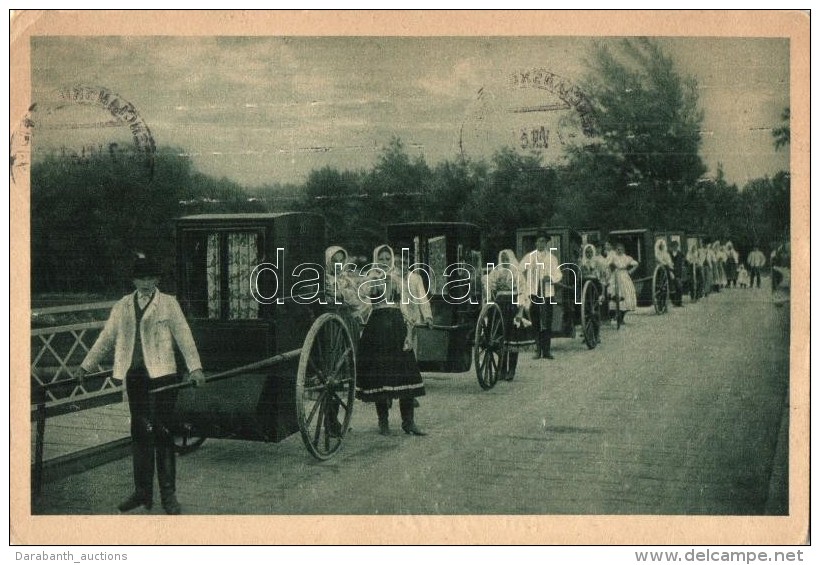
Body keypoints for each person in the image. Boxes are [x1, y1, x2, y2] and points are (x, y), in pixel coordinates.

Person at [75, 254, 206, 515]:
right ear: (133, 280)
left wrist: (195, 368)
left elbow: (184, 337)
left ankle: (168, 495)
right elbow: (106, 338)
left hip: (163, 375)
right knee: (140, 431)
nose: (145, 283)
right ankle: (142, 492)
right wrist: (85, 365)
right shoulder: (122, 306)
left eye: (150, 278)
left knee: (163, 431)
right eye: (140, 278)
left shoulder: (168, 304)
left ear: (157, 279)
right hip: (135, 378)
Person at [356, 245, 431, 436]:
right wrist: (372, 281)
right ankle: (383, 422)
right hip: (378, 328)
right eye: (380, 258)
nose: (384, 261)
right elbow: (362, 298)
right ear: (375, 259)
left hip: (397, 325)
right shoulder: (370, 278)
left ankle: (409, 422)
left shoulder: (398, 280)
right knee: (381, 376)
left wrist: (409, 329)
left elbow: (404, 304)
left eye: (387, 258)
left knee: (406, 373)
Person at [486, 249, 530, 379]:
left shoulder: (517, 273)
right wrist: (490, 294)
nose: (505, 262)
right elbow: (489, 287)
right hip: (499, 309)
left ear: (511, 260)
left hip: (512, 308)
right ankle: (501, 369)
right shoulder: (495, 272)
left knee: (512, 340)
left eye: (507, 260)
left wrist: (520, 311)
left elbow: (523, 293)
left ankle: (511, 370)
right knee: (501, 340)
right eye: (503, 259)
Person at [519, 232, 563, 360]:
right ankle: (538, 350)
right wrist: (524, 284)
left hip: (548, 294)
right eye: (538, 241)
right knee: (536, 321)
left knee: (547, 322)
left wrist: (551, 278)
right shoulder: (530, 257)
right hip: (533, 293)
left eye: (543, 241)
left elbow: (559, 274)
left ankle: (547, 351)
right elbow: (519, 270)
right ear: (535, 243)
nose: (541, 244)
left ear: (546, 243)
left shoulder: (552, 258)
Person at [324, 245, 372, 328]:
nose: (338, 264)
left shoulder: (346, 279)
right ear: (327, 261)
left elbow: (356, 301)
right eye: (334, 261)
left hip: (347, 319)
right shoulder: (326, 280)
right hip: (332, 321)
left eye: (341, 261)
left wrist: (342, 294)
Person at [608, 242, 638, 325]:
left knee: (627, 294)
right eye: (618, 249)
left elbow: (636, 264)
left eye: (621, 249)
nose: (619, 251)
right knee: (615, 294)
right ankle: (615, 316)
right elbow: (607, 264)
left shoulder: (626, 258)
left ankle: (621, 317)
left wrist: (630, 271)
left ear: (623, 250)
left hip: (624, 276)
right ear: (616, 250)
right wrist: (611, 270)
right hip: (615, 276)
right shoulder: (614, 257)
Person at [668, 240, 686, 306]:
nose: (675, 247)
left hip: (678, 272)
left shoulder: (680, 253)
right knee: (673, 288)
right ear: (672, 247)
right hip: (671, 272)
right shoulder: (669, 254)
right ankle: (675, 302)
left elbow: (685, 260)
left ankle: (679, 302)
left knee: (679, 287)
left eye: (676, 246)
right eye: (674, 246)